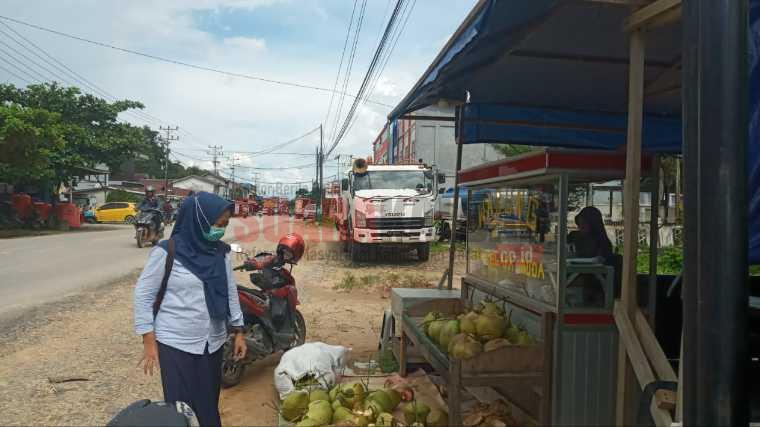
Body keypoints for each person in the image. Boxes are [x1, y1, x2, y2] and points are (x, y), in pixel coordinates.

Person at [134, 192, 247, 427]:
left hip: (212, 342)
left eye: (224, 225)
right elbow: (144, 295)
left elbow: (230, 291)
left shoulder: (221, 253)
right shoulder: (167, 252)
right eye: (217, 224)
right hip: (175, 343)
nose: (220, 230)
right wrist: (149, 340)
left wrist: (239, 331)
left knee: (207, 403)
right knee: (180, 408)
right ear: (199, 220)